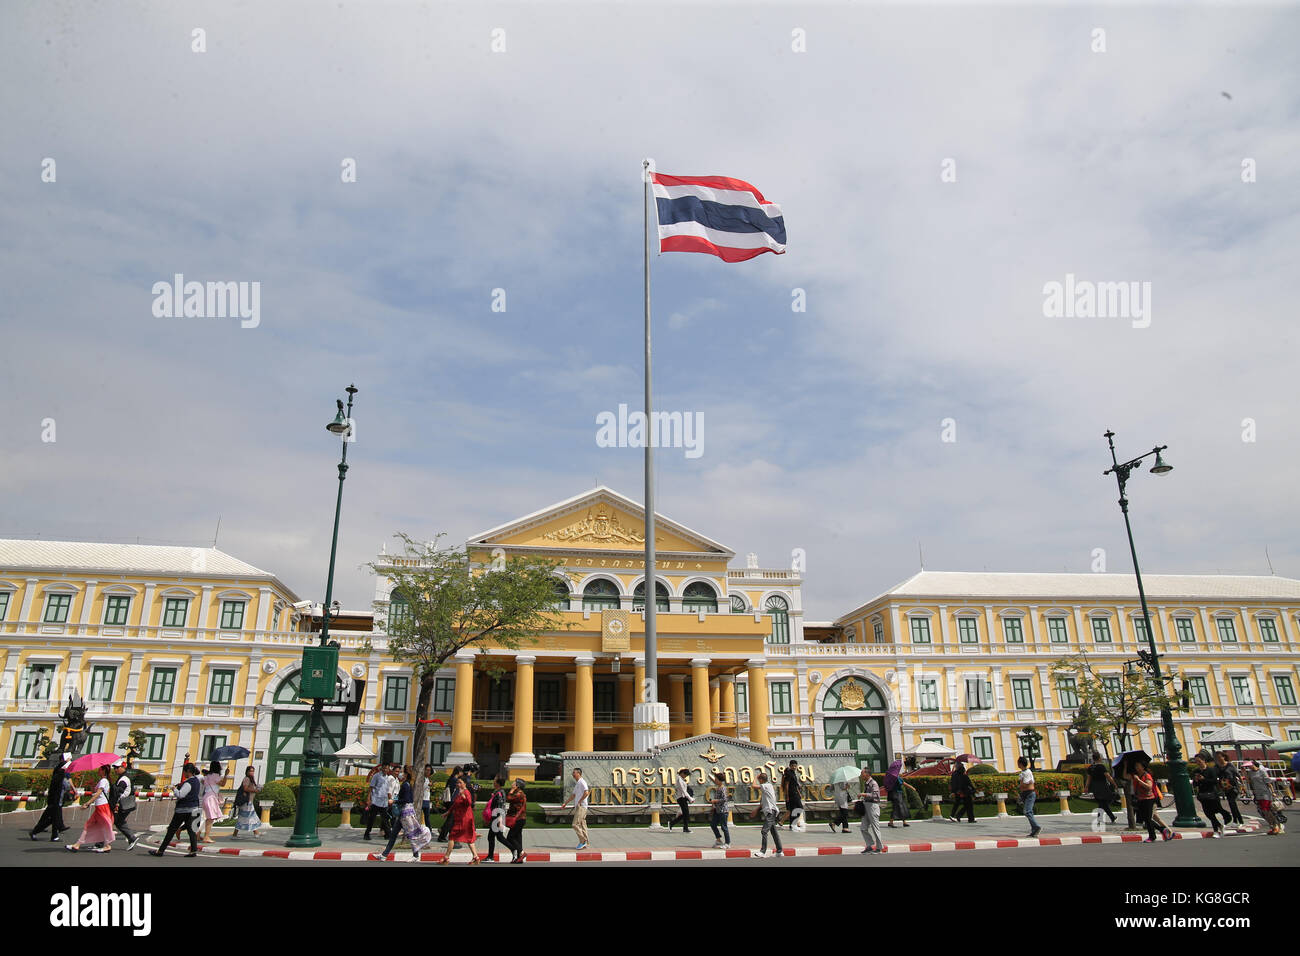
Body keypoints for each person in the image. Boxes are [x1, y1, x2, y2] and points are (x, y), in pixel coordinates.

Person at [374, 766, 431, 862]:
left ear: (406, 774)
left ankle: (416, 855)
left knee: (411, 833)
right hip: (404, 813)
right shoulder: (407, 784)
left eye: (402, 772)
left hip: (406, 813)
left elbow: (407, 799)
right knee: (394, 834)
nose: (401, 774)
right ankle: (384, 855)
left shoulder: (406, 785)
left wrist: (395, 801)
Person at [150, 763, 201, 857]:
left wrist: (174, 788)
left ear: (188, 771)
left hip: (183, 810)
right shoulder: (196, 781)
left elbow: (181, 795)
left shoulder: (188, 783)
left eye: (184, 772)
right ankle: (193, 850)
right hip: (194, 808)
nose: (183, 773)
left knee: (171, 830)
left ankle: (160, 851)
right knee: (192, 831)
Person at [66, 765, 116, 853]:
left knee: (99, 826)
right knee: (96, 826)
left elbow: (97, 794)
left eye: (100, 769)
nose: (98, 770)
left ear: (104, 771)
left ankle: (77, 845)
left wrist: (87, 803)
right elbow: (96, 792)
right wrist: (92, 784)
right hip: (100, 806)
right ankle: (78, 845)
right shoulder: (102, 781)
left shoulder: (104, 781)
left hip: (102, 807)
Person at [29, 752, 73, 842]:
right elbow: (66, 785)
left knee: (53, 818)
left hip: (55, 799)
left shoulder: (58, 774)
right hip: (56, 800)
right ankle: (36, 832)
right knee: (52, 818)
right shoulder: (60, 776)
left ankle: (53, 835)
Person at [438, 773, 480, 864]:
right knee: (469, 838)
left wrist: (464, 796)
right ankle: (475, 857)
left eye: (460, 783)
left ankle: (446, 857)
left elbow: (469, 803)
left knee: (452, 836)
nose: (458, 784)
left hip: (464, 819)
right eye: (457, 783)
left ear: (464, 783)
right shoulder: (459, 793)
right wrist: (448, 812)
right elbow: (455, 804)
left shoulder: (466, 792)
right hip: (461, 818)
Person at [1130, 759, 1170, 842]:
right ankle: (1161, 830)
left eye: (1138, 765)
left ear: (1143, 767)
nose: (1136, 767)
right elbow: (1125, 776)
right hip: (1140, 799)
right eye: (1135, 766)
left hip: (1148, 799)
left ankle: (1153, 836)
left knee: (1148, 819)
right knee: (1146, 819)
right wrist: (1126, 765)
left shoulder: (1147, 775)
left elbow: (1149, 787)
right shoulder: (1135, 775)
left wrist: (1138, 780)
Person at [1192, 754, 1230, 837]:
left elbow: (1214, 781)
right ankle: (1217, 829)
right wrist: (1196, 780)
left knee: (1217, 809)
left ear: (1203, 760)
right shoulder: (1196, 771)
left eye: (1199, 761)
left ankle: (1227, 817)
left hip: (1212, 793)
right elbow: (1195, 784)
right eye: (1196, 761)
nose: (1198, 763)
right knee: (1208, 813)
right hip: (1203, 794)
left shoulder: (1211, 770)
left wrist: (1203, 779)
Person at [749, 771, 784, 858]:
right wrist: (756, 810)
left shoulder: (765, 786)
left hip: (771, 812)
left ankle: (763, 851)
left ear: (761, 780)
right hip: (771, 811)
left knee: (764, 831)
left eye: (759, 779)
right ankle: (779, 851)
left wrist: (754, 778)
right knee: (774, 832)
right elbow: (763, 803)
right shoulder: (768, 786)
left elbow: (753, 786)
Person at [108, 759, 140, 850]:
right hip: (124, 805)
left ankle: (101, 843)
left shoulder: (124, 779)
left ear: (123, 767)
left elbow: (119, 793)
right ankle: (132, 838)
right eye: (114, 768)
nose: (115, 770)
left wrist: (116, 804)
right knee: (118, 822)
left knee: (109, 822)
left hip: (122, 805)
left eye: (117, 768)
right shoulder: (124, 777)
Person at [1242, 761, 1282, 835]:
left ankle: (1275, 825)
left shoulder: (1262, 772)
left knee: (1266, 810)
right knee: (1263, 811)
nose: (1249, 767)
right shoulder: (1250, 773)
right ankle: (1273, 826)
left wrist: (1273, 792)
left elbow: (1268, 783)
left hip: (1265, 793)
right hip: (1257, 793)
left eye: (1250, 766)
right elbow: (1249, 781)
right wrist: (1244, 772)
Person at [559, 767, 591, 850]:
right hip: (580, 806)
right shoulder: (578, 783)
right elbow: (573, 795)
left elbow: (586, 792)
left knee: (575, 824)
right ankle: (586, 842)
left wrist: (580, 801)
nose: (573, 774)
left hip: (582, 807)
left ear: (578, 773)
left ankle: (582, 841)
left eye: (574, 773)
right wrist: (565, 804)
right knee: (583, 825)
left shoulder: (582, 782)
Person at [199, 760, 229, 843]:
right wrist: (226, 775)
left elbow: (202, 781)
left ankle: (198, 834)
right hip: (211, 798)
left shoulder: (207, 776)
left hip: (206, 796)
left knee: (208, 817)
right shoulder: (215, 776)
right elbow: (222, 784)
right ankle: (206, 837)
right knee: (210, 818)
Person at [1086, 753, 1117, 831]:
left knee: (1102, 802)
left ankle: (1111, 817)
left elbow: (1089, 778)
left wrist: (1086, 787)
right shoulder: (1101, 767)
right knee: (1105, 801)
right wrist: (1114, 784)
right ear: (1099, 758)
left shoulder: (1090, 767)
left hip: (1095, 787)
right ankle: (1101, 819)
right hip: (1102, 786)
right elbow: (1108, 776)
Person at [362, 763, 392, 840]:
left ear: (388, 769)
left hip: (384, 801)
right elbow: (371, 788)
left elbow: (387, 790)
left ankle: (388, 834)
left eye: (387, 769)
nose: (385, 770)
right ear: (381, 768)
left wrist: (389, 799)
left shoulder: (387, 778)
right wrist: (369, 799)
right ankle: (367, 833)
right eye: (384, 768)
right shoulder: (376, 776)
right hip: (376, 800)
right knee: (372, 818)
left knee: (385, 818)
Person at [483, 776, 510, 862]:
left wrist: (499, 820)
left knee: (493, 837)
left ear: (498, 783)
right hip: (496, 817)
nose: (493, 782)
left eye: (494, 781)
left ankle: (491, 857)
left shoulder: (499, 793)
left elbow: (500, 807)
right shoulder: (498, 792)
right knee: (498, 837)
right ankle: (515, 850)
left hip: (497, 818)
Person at [858, 766, 884, 853]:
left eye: (862, 773)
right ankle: (869, 845)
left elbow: (876, 795)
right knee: (863, 827)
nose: (861, 775)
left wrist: (864, 794)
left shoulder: (873, 783)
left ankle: (879, 847)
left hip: (873, 806)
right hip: (866, 806)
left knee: (875, 827)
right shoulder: (866, 783)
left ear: (867, 774)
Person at [231, 766, 261, 839]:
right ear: (247, 772)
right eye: (250, 771)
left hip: (249, 801)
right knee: (250, 817)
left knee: (247, 817)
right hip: (246, 802)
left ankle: (235, 833)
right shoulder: (247, 779)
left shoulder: (251, 779)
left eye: (253, 771)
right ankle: (256, 832)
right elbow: (245, 788)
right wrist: (255, 790)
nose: (252, 773)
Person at [1215, 753, 1244, 825]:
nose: (1218, 759)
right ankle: (1239, 820)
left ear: (1224, 757)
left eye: (1219, 757)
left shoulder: (1230, 765)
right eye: (1217, 757)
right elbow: (1214, 775)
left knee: (1232, 803)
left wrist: (1242, 786)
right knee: (1231, 803)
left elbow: (1238, 775)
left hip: (1233, 786)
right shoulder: (1217, 767)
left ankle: (1236, 820)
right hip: (1225, 787)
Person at [504, 778, 528, 863]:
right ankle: (519, 858)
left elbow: (508, 798)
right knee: (518, 837)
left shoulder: (518, 794)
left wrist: (511, 790)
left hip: (518, 819)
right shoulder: (519, 793)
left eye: (514, 782)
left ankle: (521, 852)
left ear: (517, 785)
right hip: (520, 818)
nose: (512, 783)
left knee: (510, 837)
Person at [1016, 756, 1041, 838]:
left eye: (1018, 763)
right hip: (1025, 794)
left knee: (1027, 811)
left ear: (1021, 764)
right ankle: (1034, 830)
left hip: (1029, 793)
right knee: (1028, 812)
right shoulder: (1023, 773)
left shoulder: (1027, 772)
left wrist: (1021, 785)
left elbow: (1027, 783)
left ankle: (1036, 827)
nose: (1018, 764)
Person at [707, 771, 731, 849]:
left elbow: (724, 799)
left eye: (716, 779)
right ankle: (718, 840)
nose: (715, 780)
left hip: (723, 811)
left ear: (719, 780)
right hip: (717, 810)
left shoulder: (723, 788)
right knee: (713, 824)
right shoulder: (718, 788)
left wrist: (715, 801)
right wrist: (713, 806)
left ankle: (727, 843)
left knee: (724, 827)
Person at [883, 760, 910, 828]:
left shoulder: (890, 776)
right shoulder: (896, 777)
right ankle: (892, 822)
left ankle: (903, 821)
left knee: (900, 808)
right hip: (897, 794)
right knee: (898, 808)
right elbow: (903, 783)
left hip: (892, 794)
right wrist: (912, 788)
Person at [436, 766, 460, 841]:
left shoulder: (451, 779)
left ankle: (446, 832)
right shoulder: (455, 780)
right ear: (458, 772)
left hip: (449, 801)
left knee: (451, 820)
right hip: (452, 801)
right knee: (450, 819)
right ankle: (442, 836)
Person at [780, 760, 804, 830]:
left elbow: (795, 786)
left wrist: (799, 794)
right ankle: (793, 824)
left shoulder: (793, 773)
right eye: (792, 766)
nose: (794, 767)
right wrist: (787, 796)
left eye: (795, 766)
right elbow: (787, 785)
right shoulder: (789, 774)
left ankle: (792, 825)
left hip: (795, 793)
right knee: (799, 808)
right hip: (791, 794)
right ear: (790, 766)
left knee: (794, 809)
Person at [668, 768, 694, 833]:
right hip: (681, 798)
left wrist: (689, 798)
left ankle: (674, 824)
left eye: (687, 775)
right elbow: (683, 791)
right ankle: (683, 827)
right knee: (686, 814)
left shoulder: (681, 779)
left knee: (685, 814)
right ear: (682, 773)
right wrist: (690, 799)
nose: (686, 776)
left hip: (683, 798)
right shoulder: (679, 780)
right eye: (685, 774)